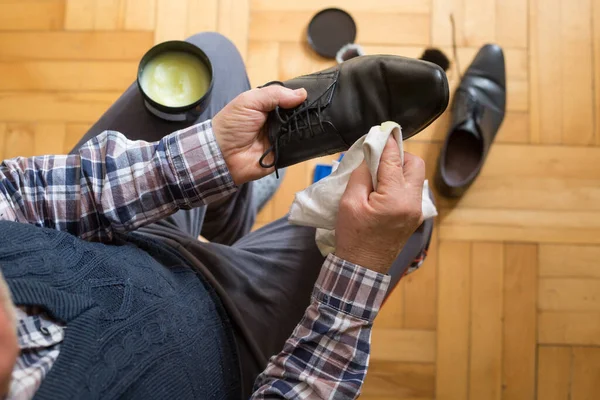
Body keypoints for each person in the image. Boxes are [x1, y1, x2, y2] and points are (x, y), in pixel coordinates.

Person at [0, 33, 433, 400]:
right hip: (231, 341)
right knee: (410, 215)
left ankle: (231, 215)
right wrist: (362, 264)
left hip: (109, 243)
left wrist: (200, 161)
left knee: (212, 56)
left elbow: (14, 196)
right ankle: (235, 219)